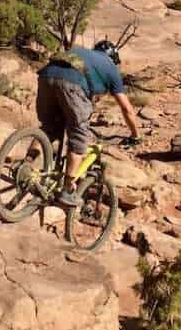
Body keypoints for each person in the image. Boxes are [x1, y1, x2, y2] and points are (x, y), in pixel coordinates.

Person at [36, 40, 140, 207]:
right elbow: (127, 108)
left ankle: (26, 167)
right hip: (72, 84)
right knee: (79, 135)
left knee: (49, 128)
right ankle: (67, 189)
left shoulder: (80, 52)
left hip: (45, 76)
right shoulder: (111, 69)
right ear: (113, 57)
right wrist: (136, 135)